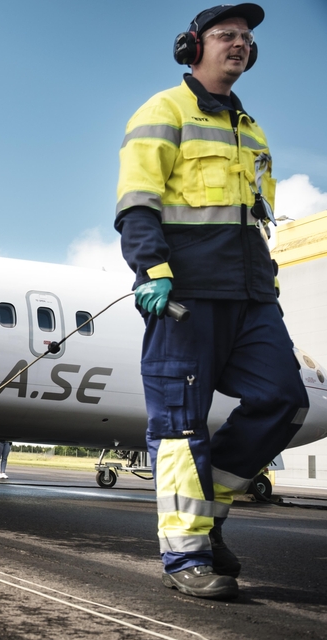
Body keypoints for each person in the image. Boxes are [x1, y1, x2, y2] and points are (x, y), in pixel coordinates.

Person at [115, 3, 309, 600]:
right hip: (187, 294)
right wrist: (151, 269)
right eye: (227, 34)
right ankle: (186, 555)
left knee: (284, 400)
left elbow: (255, 216)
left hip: (251, 295)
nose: (240, 43)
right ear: (192, 46)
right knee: (180, 426)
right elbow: (137, 202)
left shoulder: (251, 129)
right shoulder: (163, 110)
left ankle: (210, 511)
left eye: (247, 37)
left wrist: (267, 282)